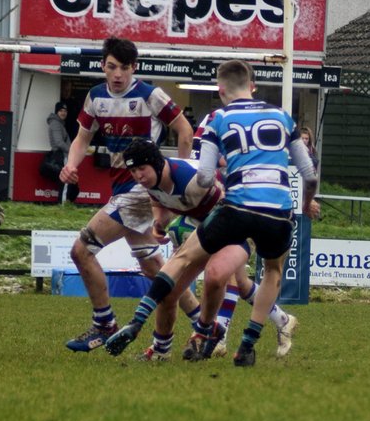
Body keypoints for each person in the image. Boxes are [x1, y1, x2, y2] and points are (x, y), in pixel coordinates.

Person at [105, 59, 318, 367]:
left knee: (185, 261)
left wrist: (223, 172)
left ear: (220, 90)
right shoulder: (283, 116)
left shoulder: (217, 118)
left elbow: (205, 177)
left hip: (237, 205)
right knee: (268, 271)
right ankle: (246, 343)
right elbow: (309, 174)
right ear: (251, 86)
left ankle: (142, 321)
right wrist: (306, 203)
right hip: (279, 211)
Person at [58, 36, 194, 350]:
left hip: (139, 192)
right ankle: (205, 326)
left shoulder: (149, 95)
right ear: (102, 66)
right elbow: (81, 139)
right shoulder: (96, 96)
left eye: (124, 67)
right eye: (111, 67)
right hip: (121, 189)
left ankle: (104, 324)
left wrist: (175, 181)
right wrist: (70, 165)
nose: (117, 74)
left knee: (81, 250)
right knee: (155, 269)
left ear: (134, 67)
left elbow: (185, 131)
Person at [113, 137, 298, 361]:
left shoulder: (193, 181)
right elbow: (159, 202)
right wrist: (159, 223)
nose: (138, 176)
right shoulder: (152, 182)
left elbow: (227, 213)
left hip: (236, 222)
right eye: (133, 171)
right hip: (206, 225)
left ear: (156, 163)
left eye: (141, 168)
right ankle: (163, 349)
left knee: (219, 274)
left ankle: (214, 335)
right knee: (179, 291)